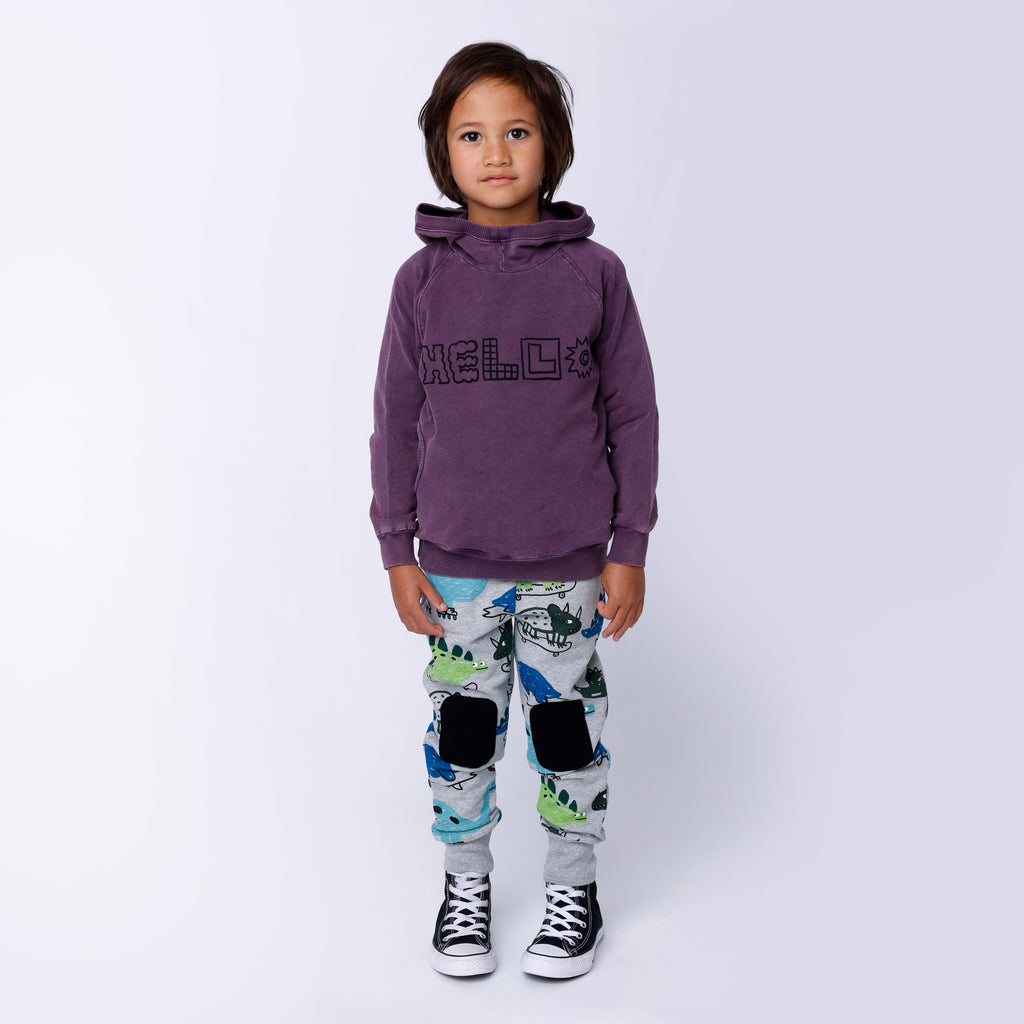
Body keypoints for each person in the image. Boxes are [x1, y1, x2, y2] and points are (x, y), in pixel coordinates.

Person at [369, 41, 658, 979]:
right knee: (462, 731)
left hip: (568, 565)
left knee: (565, 731)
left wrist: (629, 545)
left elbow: (633, 413)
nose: (495, 152)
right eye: (472, 135)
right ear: (443, 153)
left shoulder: (595, 274)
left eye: (518, 131)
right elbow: (394, 419)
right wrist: (396, 549)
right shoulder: (420, 283)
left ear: (553, 144)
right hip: (454, 566)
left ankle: (575, 888)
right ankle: (466, 884)